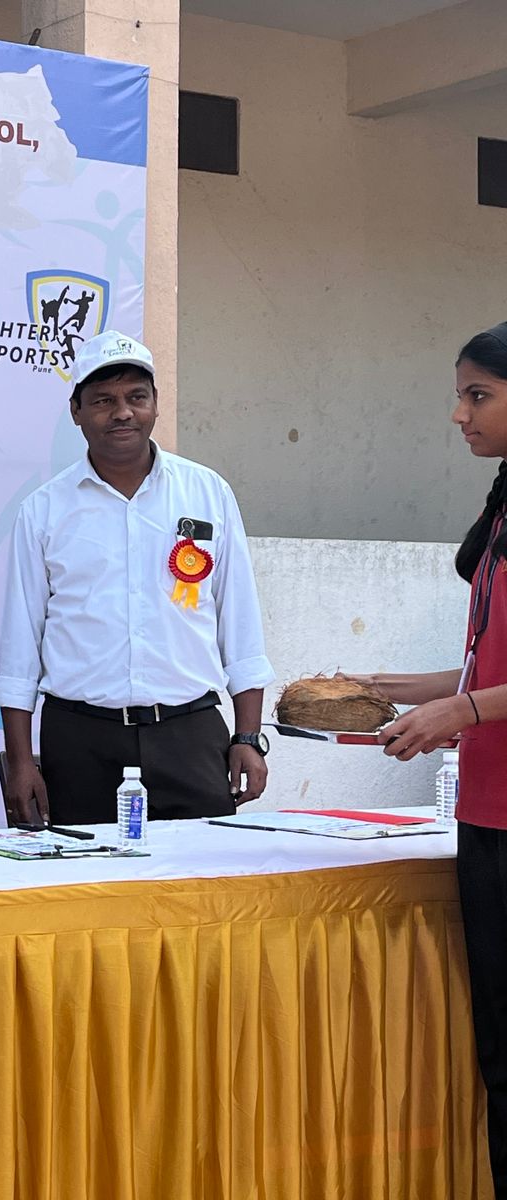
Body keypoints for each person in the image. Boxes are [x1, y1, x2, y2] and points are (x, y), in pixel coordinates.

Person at [0, 331, 273, 826]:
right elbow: (20, 645)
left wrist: (247, 737)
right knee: (87, 874)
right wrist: (20, 762)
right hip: (80, 740)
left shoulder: (207, 493)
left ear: (155, 405)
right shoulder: (44, 510)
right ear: (76, 411)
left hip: (190, 734)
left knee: (201, 872)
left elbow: (240, 623)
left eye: (135, 397)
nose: (122, 412)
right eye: (103, 400)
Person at [350, 322, 507, 1196]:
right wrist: (390, 688)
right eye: (460, 394)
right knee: (499, 1056)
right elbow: (488, 663)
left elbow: (484, 691)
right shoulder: (502, 507)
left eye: (478, 395)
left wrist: (464, 709)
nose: (458, 414)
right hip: (485, 812)